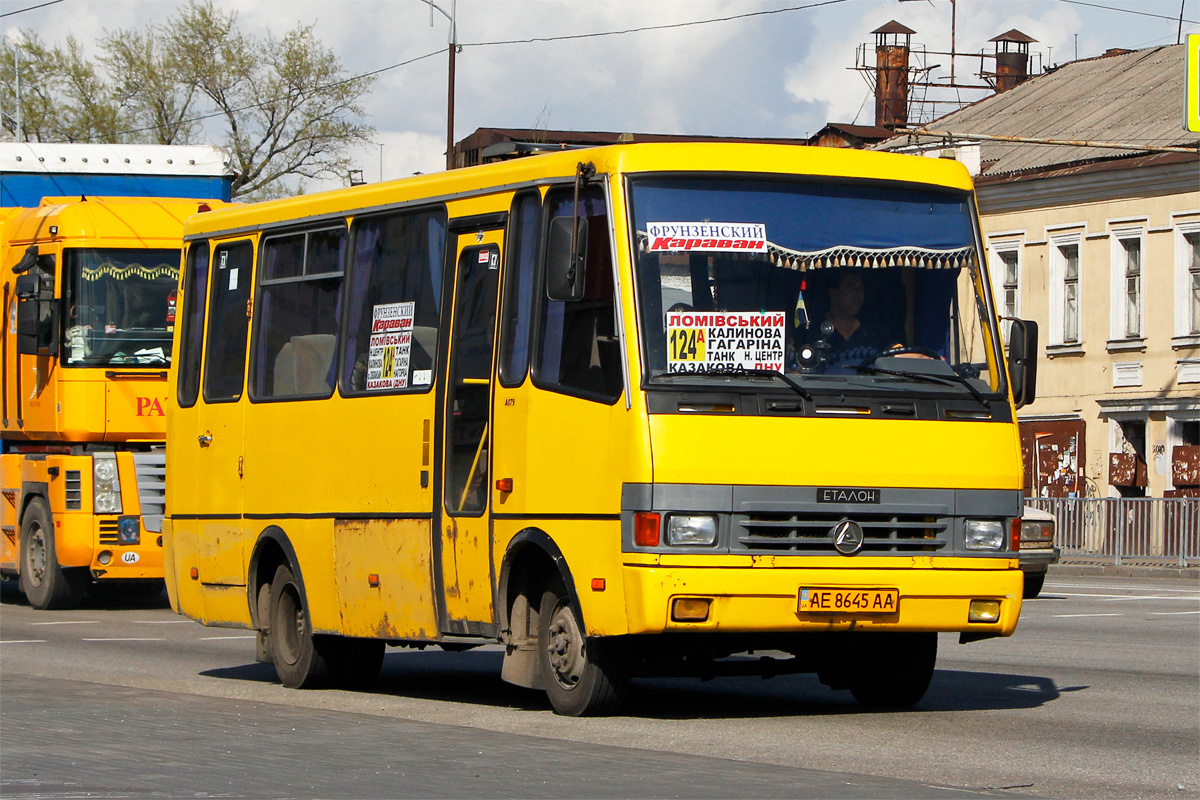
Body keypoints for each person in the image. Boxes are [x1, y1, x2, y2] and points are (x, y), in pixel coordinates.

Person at [802, 269, 900, 374]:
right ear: (833, 293)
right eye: (850, 287)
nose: (858, 293)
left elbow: (899, 353)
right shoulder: (809, 334)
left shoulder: (875, 331)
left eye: (861, 288)